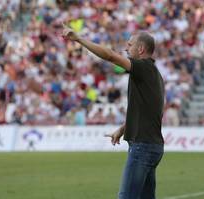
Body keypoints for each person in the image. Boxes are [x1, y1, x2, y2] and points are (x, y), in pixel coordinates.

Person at [62, 24, 165, 198]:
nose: (126, 48)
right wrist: (123, 129)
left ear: (140, 49)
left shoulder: (143, 67)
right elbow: (150, 111)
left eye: (130, 45)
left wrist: (79, 39)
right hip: (153, 147)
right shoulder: (154, 73)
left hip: (143, 147)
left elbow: (110, 56)